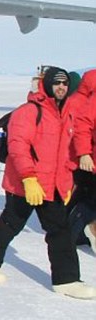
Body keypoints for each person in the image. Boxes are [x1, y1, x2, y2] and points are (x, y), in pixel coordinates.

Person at [0, 66, 95, 299]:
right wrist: (29, 179)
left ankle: (67, 280)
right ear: (47, 85)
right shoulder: (29, 111)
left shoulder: (67, 114)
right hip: (25, 184)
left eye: (64, 84)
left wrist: (67, 182)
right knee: (11, 224)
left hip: (52, 185)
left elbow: (66, 154)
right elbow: (18, 147)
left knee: (59, 230)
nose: (61, 87)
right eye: (56, 83)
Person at [67, 69, 96, 249]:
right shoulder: (88, 101)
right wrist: (84, 153)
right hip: (83, 158)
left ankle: (74, 234)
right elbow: (82, 125)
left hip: (82, 158)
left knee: (83, 197)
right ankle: (83, 232)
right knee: (88, 200)